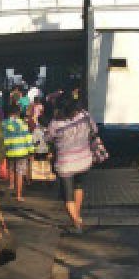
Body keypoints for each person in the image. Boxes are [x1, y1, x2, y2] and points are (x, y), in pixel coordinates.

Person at [46, 95, 101, 235]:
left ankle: (77, 223)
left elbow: (48, 138)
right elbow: (94, 131)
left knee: (67, 196)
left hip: (66, 164)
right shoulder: (85, 116)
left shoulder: (55, 123)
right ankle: (78, 216)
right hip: (84, 160)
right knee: (79, 186)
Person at [2, 102, 34, 201]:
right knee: (20, 172)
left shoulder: (3, 123)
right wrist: (31, 150)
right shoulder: (23, 123)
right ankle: (19, 195)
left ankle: (11, 185)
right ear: (18, 113)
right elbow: (28, 138)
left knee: (11, 168)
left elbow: (2, 137)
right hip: (22, 151)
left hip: (9, 151)